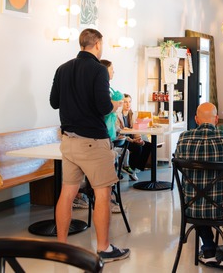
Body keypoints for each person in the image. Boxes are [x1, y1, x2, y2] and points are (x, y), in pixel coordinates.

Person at [49, 28, 129, 262]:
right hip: (93, 142)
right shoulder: (98, 70)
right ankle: (104, 247)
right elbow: (104, 107)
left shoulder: (62, 68)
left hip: (68, 141)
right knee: (102, 194)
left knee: (67, 193)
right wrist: (116, 104)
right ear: (97, 44)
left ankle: (61, 247)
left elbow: (54, 102)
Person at [174, 102, 223, 268]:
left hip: (191, 207)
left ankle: (208, 249)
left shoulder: (184, 138)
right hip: (222, 207)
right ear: (216, 119)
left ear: (196, 119)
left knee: (200, 197)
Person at [116, 93, 154, 179]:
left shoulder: (132, 113)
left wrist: (138, 139)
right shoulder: (117, 115)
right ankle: (131, 170)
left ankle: (135, 168)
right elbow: (118, 133)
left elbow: (135, 129)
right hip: (122, 140)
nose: (128, 104)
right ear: (121, 103)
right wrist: (132, 140)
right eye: (125, 102)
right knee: (138, 148)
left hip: (131, 139)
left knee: (148, 145)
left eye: (129, 102)